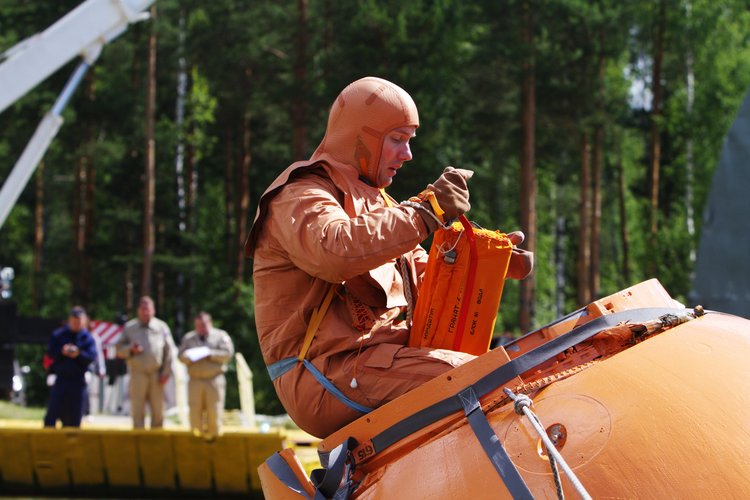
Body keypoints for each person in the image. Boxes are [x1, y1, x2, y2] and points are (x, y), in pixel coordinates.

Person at [245, 76, 533, 438]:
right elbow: (335, 249)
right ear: (359, 137)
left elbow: (426, 280)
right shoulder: (300, 195)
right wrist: (424, 212)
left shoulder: (382, 205)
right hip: (323, 373)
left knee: (518, 363)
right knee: (484, 379)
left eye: (409, 141)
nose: (407, 154)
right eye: (397, 140)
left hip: (379, 363)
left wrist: (480, 262)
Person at [115, 296, 173, 429]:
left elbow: (169, 351)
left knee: (158, 410)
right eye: (143, 309)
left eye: (148, 309)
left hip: (156, 374)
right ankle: (138, 442)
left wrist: (166, 372)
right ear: (138, 311)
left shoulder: (161, 327)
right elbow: (118, 349)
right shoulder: (130, 328)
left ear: (153, 310)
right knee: (137, 410)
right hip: (137, 374)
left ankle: (157, 442)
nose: (145, 312)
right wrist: (130, 350)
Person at [178, 311, 235, 439]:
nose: (201, 328)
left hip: (214, 380)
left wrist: (210, 354)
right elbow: (180, 356)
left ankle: (214, 440)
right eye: (198, 325)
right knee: (194, 412)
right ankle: (196, 441)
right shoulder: (189, 338)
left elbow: (228, 354)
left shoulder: (220, 336)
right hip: (195, 381)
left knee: (214, 412)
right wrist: (189, 356)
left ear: (210, 323)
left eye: (203, 325)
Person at [43, 306, 98, 428]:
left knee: (75, 417)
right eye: (74, 321)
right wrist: (62, 352)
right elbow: (50, 353)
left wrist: (78, 354)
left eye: (79, 321)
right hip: (61, 379)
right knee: (52, 414)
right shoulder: (59, 334)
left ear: (84, 321)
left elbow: (92, 357)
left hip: (78, 380)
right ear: (69, 320)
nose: (76, 324)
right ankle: (46, 443)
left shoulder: (87, 338)